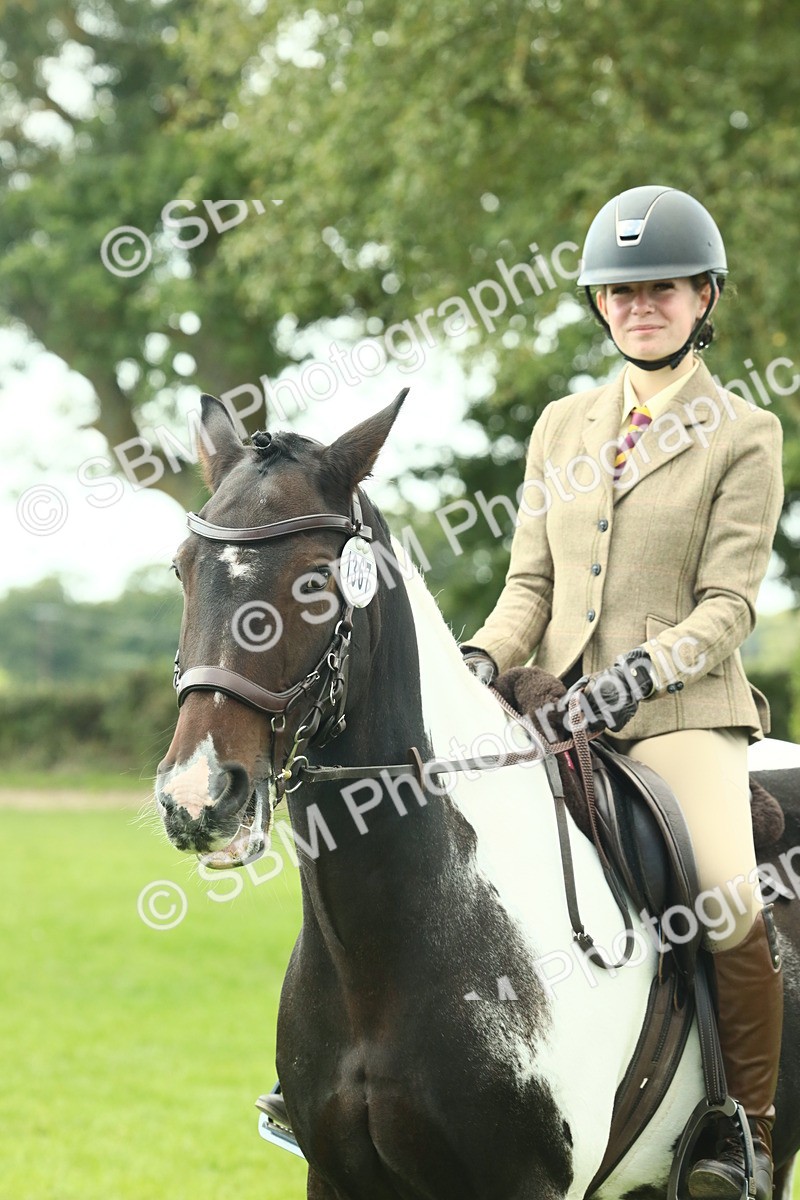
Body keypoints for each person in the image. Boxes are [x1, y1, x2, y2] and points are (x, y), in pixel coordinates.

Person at [462, 184, 784, 1200]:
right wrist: (479, 661)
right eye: (621, 292)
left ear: (702, 298)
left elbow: (729, 603)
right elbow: (529, 587)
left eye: (661, 289)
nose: (640, 307)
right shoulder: (561, 426)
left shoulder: (745, 432)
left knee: (727, 899)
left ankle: (743, 1127)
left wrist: (641, 671)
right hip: (553, 709)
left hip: (680, 714)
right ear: (600, 306)